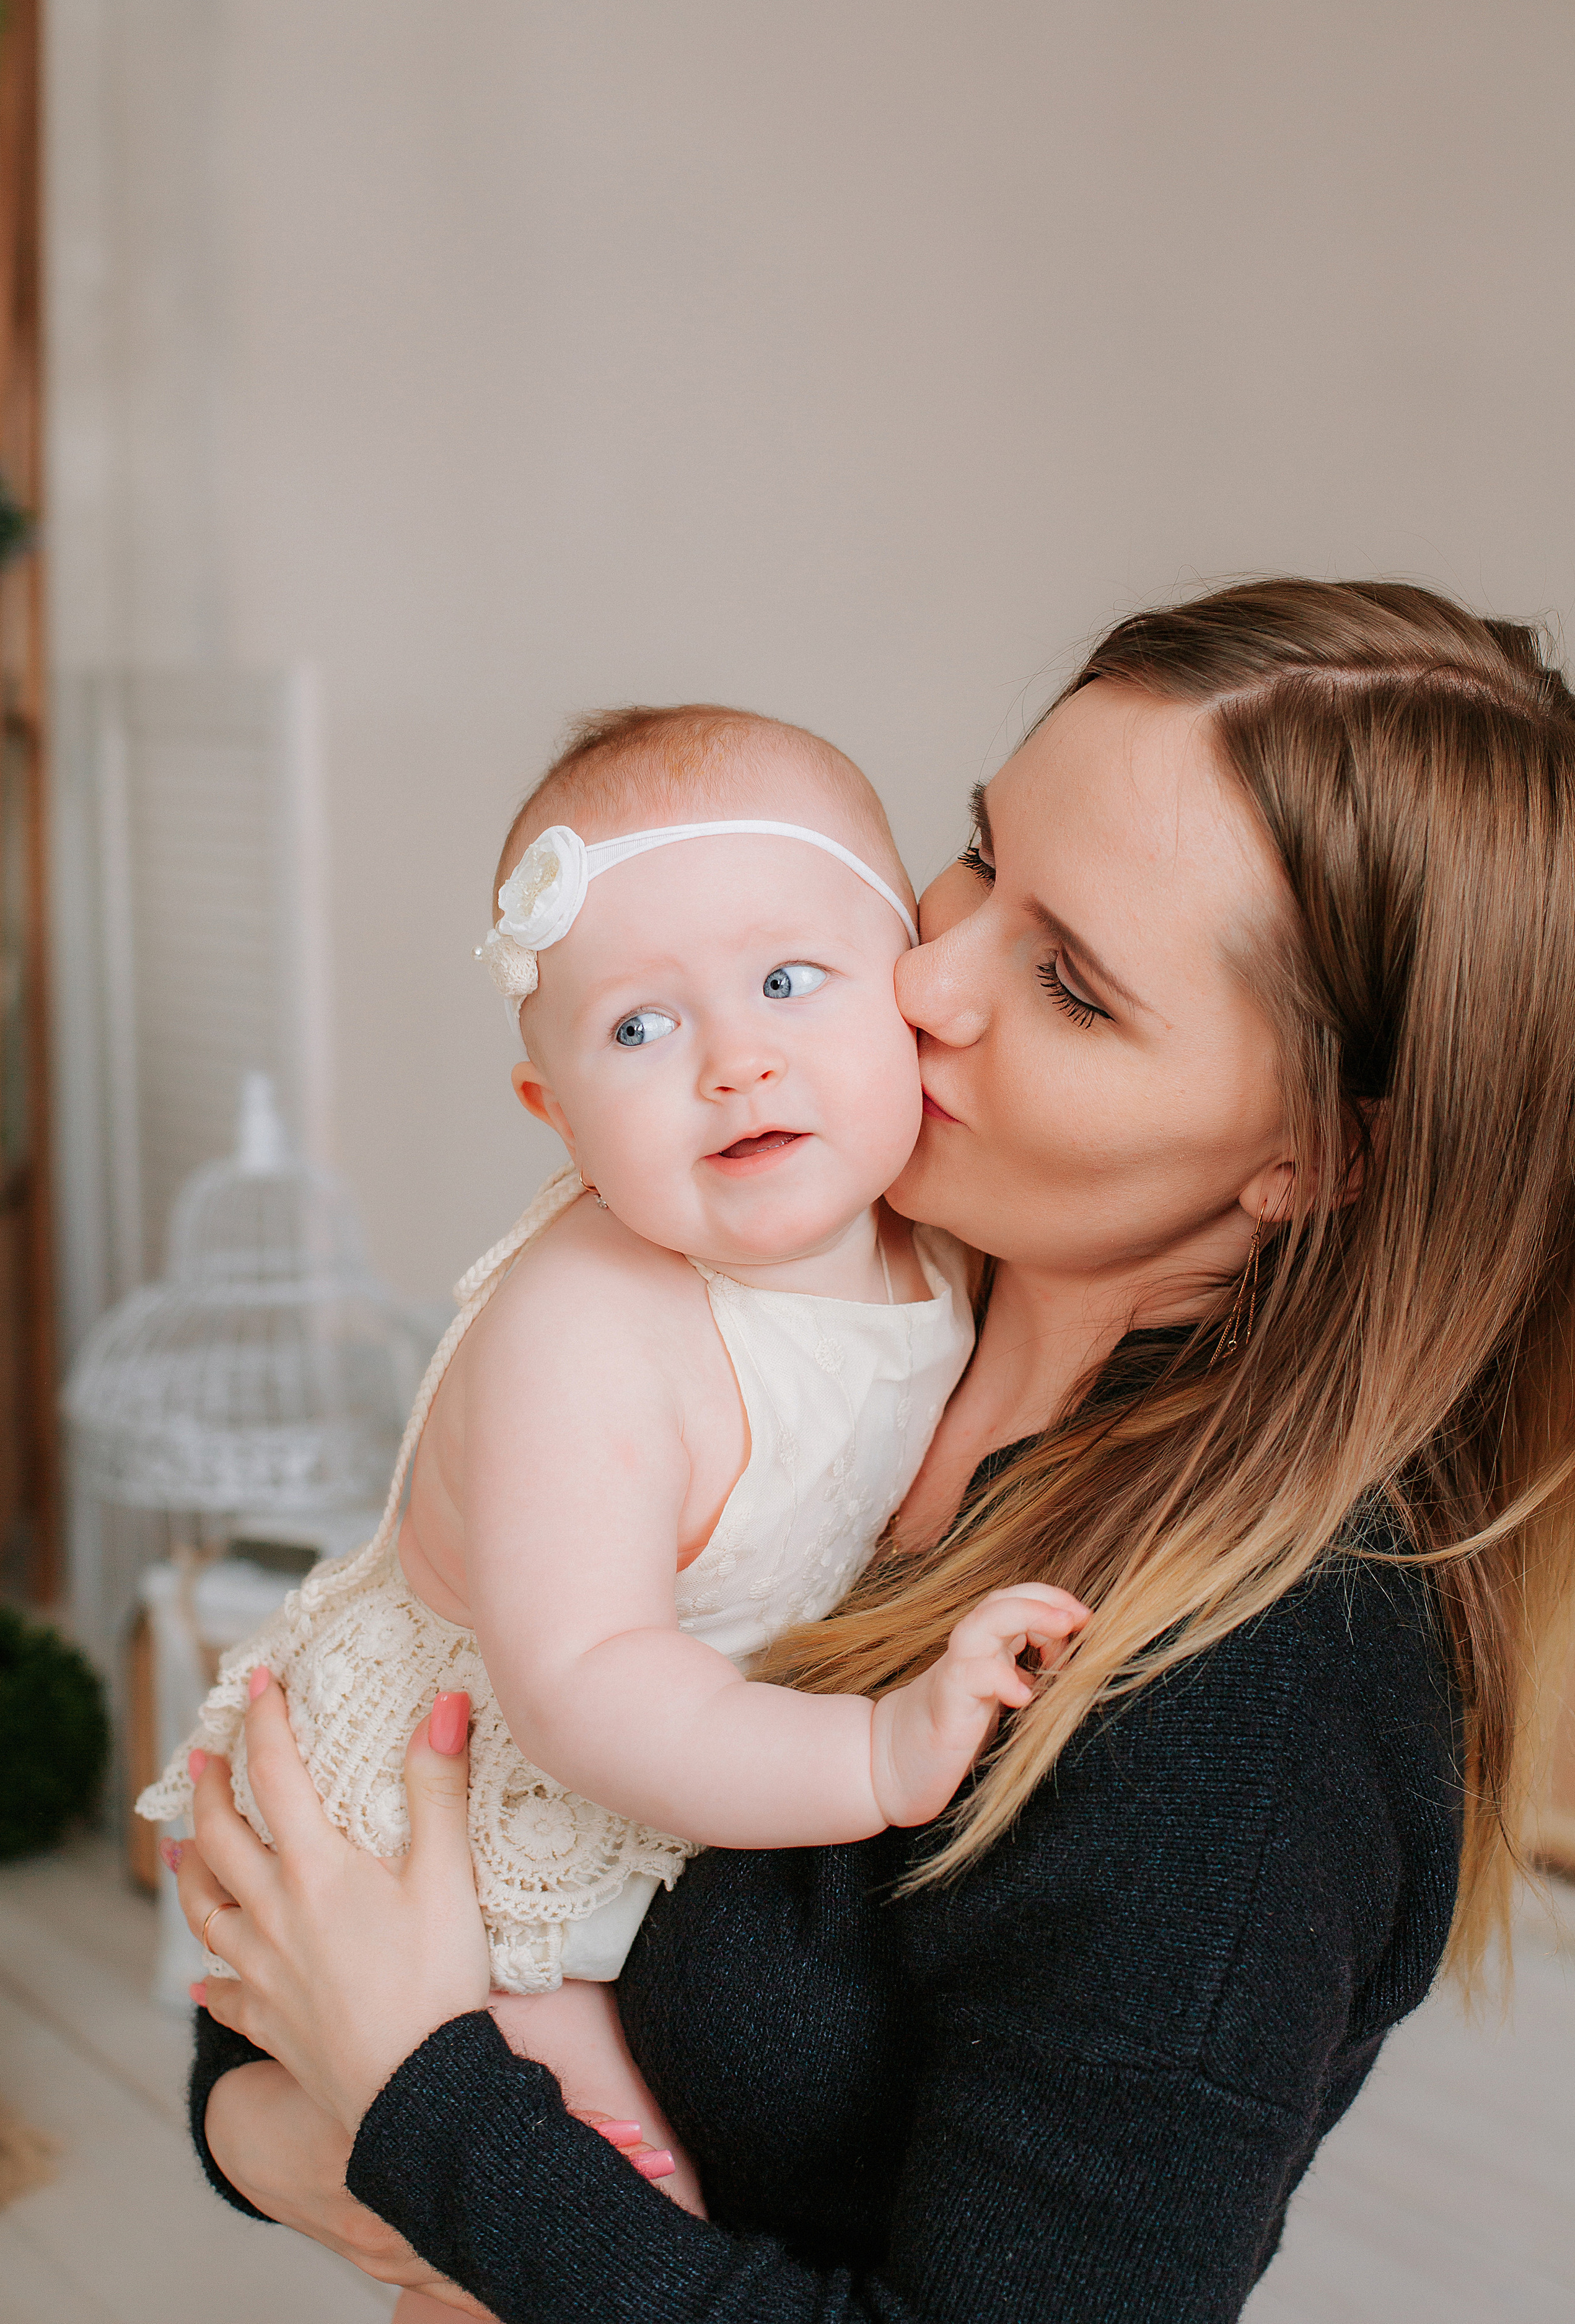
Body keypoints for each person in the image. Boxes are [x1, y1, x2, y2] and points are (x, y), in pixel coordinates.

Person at [167, 580, 1575, 2323]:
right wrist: (277, 2122)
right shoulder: (831, 1293)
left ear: (1313, 1156)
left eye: (1067, 985)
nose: (924, 978)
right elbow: (354, 1901)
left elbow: (401, 2052)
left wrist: (414, 2112)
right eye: (979, 858)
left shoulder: (1258, 1704)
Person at [141, 704, 1086, 2252]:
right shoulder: (589, 1327)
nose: (735, 1060)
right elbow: (585, 1687)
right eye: (639, 1029)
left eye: (789, 982)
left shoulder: (939, 1239)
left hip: (669, 1761)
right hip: (470, 1788)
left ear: (904, 1003)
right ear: (557, 1115)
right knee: (609, 2184)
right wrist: (872, 1761)